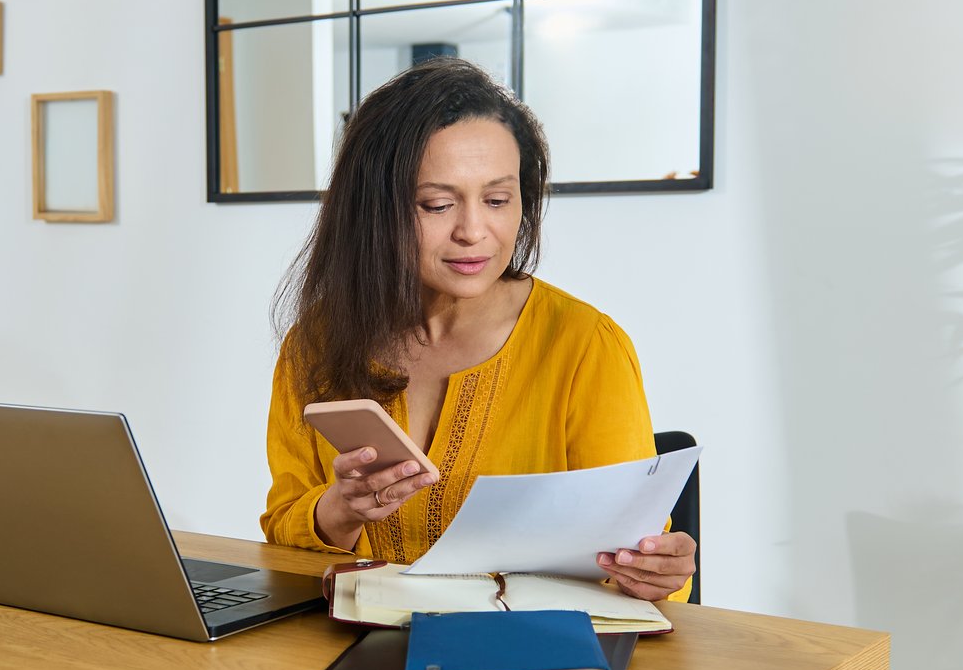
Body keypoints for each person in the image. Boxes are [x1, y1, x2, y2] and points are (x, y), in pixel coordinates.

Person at [262, 58, 696, 601]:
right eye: (437, 204)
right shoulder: (316, 344)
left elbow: (638, 563)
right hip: (350, 648)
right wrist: (340, 509)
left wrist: (657, 572)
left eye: (497, 200)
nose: (473, 231)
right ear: (373, 211)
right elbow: (283, 535)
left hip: (530, 658)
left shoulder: (585, 345)